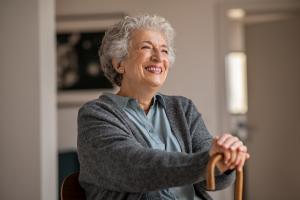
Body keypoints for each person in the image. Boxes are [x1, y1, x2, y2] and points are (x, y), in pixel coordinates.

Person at [77, 14, 250, 200]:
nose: (159, 57)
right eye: (146, 47)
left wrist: (226, 158)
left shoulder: (182, 109)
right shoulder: (95, 115)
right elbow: (133, 168)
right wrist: (207, 161)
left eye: (164, 50)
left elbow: (213, 181)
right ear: (119, 63)